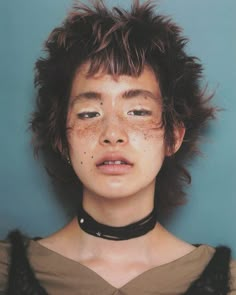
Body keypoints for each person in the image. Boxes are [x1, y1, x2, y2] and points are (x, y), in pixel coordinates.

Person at [0, 1, 235, 294]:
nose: (112, 134)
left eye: (138, 111)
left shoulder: (229, 281)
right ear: (62, 139)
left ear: (173, 137)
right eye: (88, 113)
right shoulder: (5, 270)